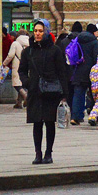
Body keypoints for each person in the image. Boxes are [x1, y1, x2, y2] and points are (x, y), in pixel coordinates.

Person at [18, 19, 69, 164]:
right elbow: (21, 70)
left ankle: (48, 153)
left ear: (46, 31)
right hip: (35, 91)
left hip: (50, 92)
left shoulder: (55, 51)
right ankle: (38, 153)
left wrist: (64, 94)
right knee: (37, 123)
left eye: (40, 31)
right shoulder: (28, 51)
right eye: (35, 31)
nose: (38, 34)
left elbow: (62, 72)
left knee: (49, 122)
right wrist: (27, 82)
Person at [68, 21, 98, 124]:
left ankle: (75, 117)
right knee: (95, 94)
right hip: (91, 71)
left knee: (78, 94)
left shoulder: (78, 39)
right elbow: (96, 58)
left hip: (78, 70)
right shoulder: (94, 42)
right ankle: (95, 116)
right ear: (93, 32)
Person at [2, 30, 30, 109]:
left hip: (18, 64)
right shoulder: (30, 42)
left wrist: (4, 63)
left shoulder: (15, 43)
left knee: (16, 84)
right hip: (28, 65)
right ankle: (19, 102)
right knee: (23, 82)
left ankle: (26, 96)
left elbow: (10, 55)